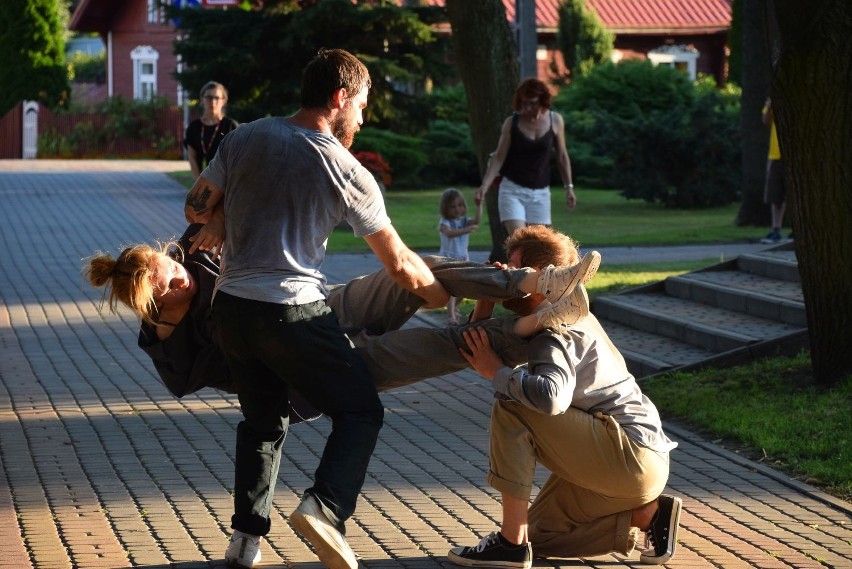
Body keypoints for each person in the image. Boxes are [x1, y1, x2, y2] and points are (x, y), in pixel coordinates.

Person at [180, 47, 451, 569]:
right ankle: (325, 508)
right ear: (339, 97)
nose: (364, 119)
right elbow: (399, 266)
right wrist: (440, 296)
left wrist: (217, 219)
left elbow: (195, 203)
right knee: (361, 409)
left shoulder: (245, 136)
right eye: (363, 106)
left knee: (262, 422)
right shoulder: (347, 170)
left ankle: (245, 540)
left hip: (231, 310)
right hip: (293, 311)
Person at [432, 227, 682, 568]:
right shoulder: (568, 313)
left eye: (514, 267)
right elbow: (478, 345)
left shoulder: (554, 331)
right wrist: (486, 297)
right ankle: (646, 514)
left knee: (512, 403)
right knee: (540, 536)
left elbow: (550, 398)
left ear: (540, 278)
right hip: (640, 465)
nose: (506, 273)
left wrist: (497, 374)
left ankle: (509, 544)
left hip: (628, 456)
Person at [475, 78, 576, 237]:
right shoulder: (512, 123)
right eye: (524, 103)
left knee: (539, 246)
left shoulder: (555, 121)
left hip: (540, 192)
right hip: (512, 190)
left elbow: (562, 156)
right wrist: (484, 187)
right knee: (520, 241)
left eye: (532, 103)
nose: (527, 108)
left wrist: (569, 187)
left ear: (542, 101)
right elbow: (499, 158)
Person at [438, 188, 483, 324]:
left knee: (463, 290)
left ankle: (452, 309)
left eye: (460, 205)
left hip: (463, 259)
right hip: (448, 260)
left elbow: (476, 220)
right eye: (453, 206)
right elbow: (449, 233)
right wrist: (466, 230)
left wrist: (479, 205)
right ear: (445, 208)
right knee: (453, 289)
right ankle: (451, 316)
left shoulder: (464, 220)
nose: (457, 209)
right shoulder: (444, 222)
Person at [184, 81, 239, 179]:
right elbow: (192, 157)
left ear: (224, 100)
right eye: (209, 97)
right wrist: (198, 182)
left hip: (226, 182)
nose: (213, 102)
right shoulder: (194, 127)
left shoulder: (231, 126)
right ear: (202, 99)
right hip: (201, 181)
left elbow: (237, 157)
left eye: (217, 98)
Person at [760, 97, 787, 244]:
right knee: (775, 195)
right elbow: (766, 120)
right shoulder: (774, 99)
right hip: (775, 154)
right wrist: (770, 106)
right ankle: (776, 229)